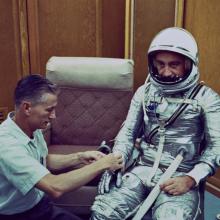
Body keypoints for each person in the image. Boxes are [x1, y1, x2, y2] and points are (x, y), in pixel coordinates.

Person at [91, 27, 220, 220]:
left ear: (188, 63)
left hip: (180, 173)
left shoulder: (206, 99)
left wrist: (191, 179)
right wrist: (115, 163)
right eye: (160, 64)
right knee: (103, 212)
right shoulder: (144, 92)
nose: (166, 72)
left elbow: (217, 146)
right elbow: (128, 133)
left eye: (174, 65)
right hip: (141, 169)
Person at [0, 74, 123, 220]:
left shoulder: (32, 126)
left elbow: (43, 159)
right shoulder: (7, 145)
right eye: (49, 110)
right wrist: (103, 164)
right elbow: (55, 187)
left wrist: (79, 158)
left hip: (41, 206)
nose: (53, 116)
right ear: (27, 108)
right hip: (17, 216)